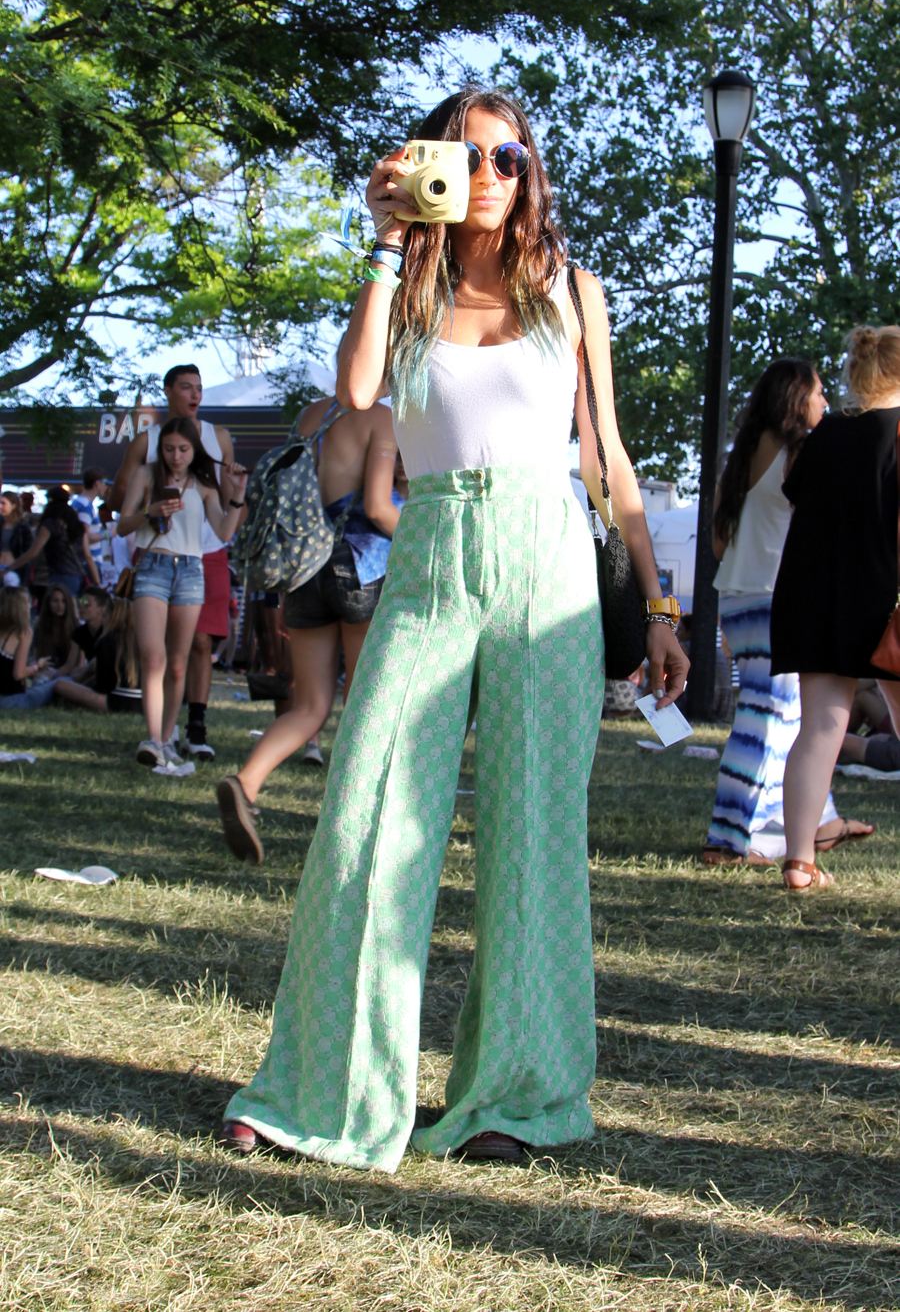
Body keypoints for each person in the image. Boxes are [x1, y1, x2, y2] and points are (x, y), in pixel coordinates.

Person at [218, 86, 688, 1171]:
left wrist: (657, 607)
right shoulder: (411, 286)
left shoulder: (574, 291)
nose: (487, 174)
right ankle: (325, 1095)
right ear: (431, 165)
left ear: (532, 174)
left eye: (508, 157)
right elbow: (358, 387)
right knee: (366, 815)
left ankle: (515, 1099)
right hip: (430, 552)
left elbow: (606, 458)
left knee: (533, 841)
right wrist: (385, 242)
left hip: (549, 562)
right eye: (465, 156)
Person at [216, 394, 402, 863]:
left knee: (311, 705)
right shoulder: (382, 419)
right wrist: (424, 538)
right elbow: (379, 509)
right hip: (360, 567)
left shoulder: (312, 415)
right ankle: (354, 830)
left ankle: (246, 783)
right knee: (363, 706)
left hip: (304, 568)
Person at [702, 359, 873, 868]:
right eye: (819, 393)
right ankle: (727, 836)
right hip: (775, 594)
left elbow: (716, 543)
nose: (825, 402)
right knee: (769, 715)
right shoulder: (803, 451)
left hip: (735, 595)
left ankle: (815, 823)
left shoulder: (740, 458)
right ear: (797, 398)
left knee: (787, 714)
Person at [772, 326, 900, 889]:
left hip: (817, 595)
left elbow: (795, 493)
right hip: (885, 598)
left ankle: (800, 860)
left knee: (820, 728)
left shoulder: (825, 434)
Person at [110, 364, 240, 760]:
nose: (195, 394)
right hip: (153, 563)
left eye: (199, 388)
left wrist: (239, 493)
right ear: (168, 391)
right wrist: (148, 512)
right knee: (155, 656)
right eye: (186, 387)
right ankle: (156, 738)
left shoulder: (213, 452)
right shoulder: (147, 456)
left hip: (198, 563)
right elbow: (121, 512)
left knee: (191, 652)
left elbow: (224, 524)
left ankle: (185, 731)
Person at [53, 596, 142, 715]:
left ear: (113, 618)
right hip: (140, 704)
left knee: (60, 684)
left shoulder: (106, 641)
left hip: (115, 703)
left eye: (104, 616)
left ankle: (63, 701)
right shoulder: (137, 641)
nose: (101, 621)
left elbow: (102, 688)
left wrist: (82, 683)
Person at [5, 486, 98, 598]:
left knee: (56, 610)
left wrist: (9, 568)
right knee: (73, 611)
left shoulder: (50, 523)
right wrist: (97, 582)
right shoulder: (76, 523)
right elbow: (87, 556)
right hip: (78, 576)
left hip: (58, 576)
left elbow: (33, 552)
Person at [0, 586, 57, 709]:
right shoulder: (23, 632)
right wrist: (38, 666)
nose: (30, 606)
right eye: (28, 602)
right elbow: (18, 674)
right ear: (20, 607)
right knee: (60, 682)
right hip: (11, 700)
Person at [34, 583, 82, 678]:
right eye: (55, 601)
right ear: (48, 603)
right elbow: (36, 659)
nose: (59, 605)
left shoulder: (76, 627)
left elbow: (80, 665)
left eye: (63, 601)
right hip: (45, 673)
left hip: (70, 677)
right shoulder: (40, 627)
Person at [0, 491, 33, 585]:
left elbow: (28, 553)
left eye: (3, 503)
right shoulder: (1, 524)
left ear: (13, 505)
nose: (0, 506)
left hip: (14, 569)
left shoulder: (22, 527)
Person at [71, 469, 111, 545]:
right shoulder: (85, 505)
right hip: (87, 556)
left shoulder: (81, 502)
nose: (106, 487)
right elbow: (84, 536)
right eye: (105, 483)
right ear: (97, 483)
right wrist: (109, 533)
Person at [73, 585, 111, 661]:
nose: (80, 605)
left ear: (101, 609)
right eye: (81, 601)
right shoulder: (80, 632)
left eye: (86, 603)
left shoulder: (111, 633)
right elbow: (69, 665)